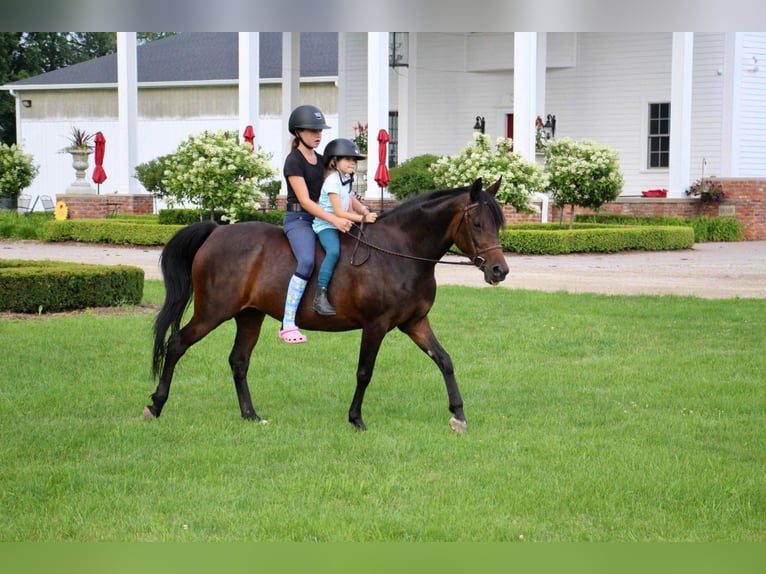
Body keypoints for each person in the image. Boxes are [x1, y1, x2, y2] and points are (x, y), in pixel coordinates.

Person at [279, 104, 353, 344]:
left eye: (320, 130)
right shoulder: (293, 161)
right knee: (308, 260)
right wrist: (334, 219)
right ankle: (288, 322)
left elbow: (337, 190)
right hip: (299, 219)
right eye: (312, 131)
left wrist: (362, 210)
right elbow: (305, 201)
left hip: (321, 218)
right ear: (298, 133)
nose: (318, 135)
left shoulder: (323, 161)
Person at [311, 138, 378, 316]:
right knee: (333, 251)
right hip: (327, 224)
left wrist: (364, 210)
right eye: (348, 159)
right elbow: (339, 213)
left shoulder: (345, 178)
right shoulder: (332, 181)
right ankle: (320, 294)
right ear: (335, 161)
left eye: (354, 160)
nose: (353, 163)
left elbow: (350, 199)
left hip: (341, 223)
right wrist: (363, 219)